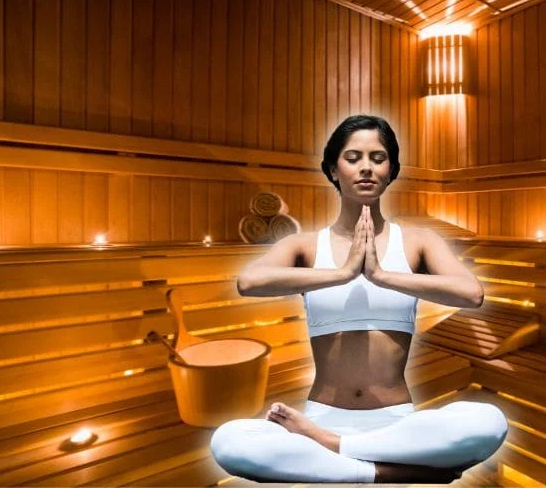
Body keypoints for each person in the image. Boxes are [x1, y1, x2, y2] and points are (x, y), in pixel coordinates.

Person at [209, 115, 508, 483]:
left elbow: (472, 293)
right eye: (353, 157)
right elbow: (249, 282)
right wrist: (343, 273)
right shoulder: (304, 245)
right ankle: (388, 473)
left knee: (490, 423)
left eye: (378, 158)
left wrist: (381, 275)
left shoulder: (418, 242)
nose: (366, 167)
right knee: (228, 442)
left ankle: (334, 450)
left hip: (395, 426)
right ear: (333, 170)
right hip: (320, 413)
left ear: (391, 171)